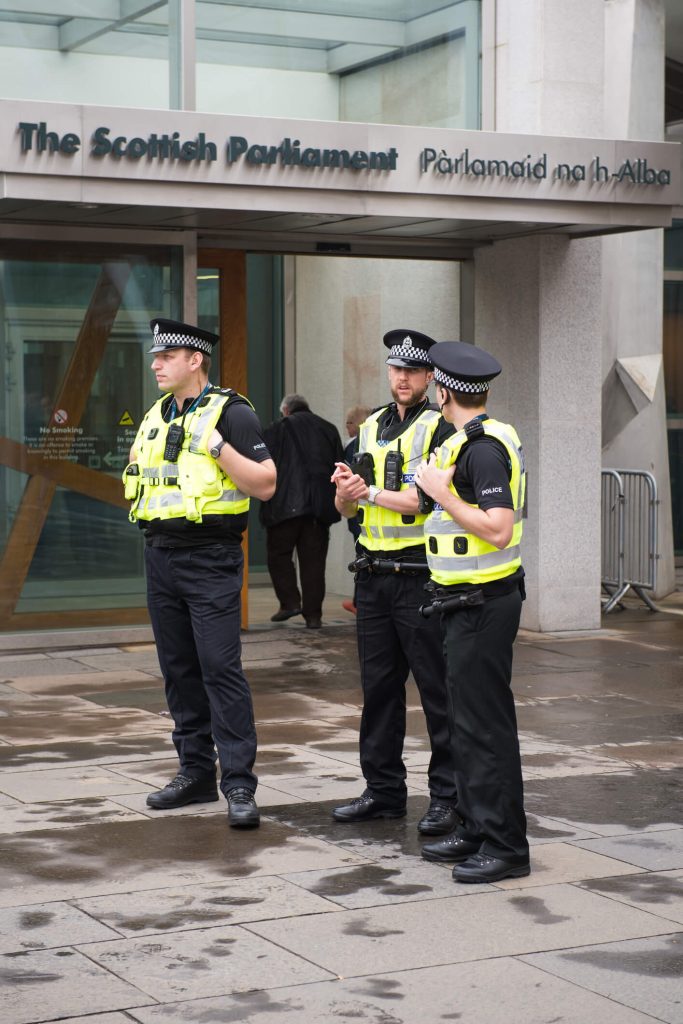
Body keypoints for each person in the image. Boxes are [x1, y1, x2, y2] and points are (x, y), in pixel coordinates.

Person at [123, 318, 276, 828]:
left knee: (219, 668)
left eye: (165, 357)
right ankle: (195, 773)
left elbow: (266, 484)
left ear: (195, 360)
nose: (155, 365)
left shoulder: (232, 413)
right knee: (179, 670)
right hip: (160, 553)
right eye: (155, 357)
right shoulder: (156, 415)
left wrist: (217, 448)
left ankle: (238, 784)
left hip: (210, 556)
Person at [331, 329, 458, 835]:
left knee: (436, 693)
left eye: (412, 371)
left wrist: (369, 494)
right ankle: (382, 791)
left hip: (421, 577)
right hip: (373, 576)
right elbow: (341, 506)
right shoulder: (366, 430)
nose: (401, 378)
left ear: (429, 377)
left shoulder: (441, 429)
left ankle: (447, 797)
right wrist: (347, 495)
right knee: (379, 692)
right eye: (395, 369)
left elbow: (423, 501)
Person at [414, 340, 529, 883]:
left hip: (484, 602)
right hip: (463, 601)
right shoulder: (463, 442)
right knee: (467, 724)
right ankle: (477, 826)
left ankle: (505, 846)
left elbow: (498, 526)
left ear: (443, 390)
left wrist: (445, 493)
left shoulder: (482, 449)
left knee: (486, 728)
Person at [260, 394, 344, 629]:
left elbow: (261, 463)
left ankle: (289, 602)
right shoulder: (329, 429)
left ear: (285, 410)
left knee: (278, 556)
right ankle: (313, 616)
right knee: (314, 563)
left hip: (283, 506)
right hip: (319, 509)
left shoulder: (277, 429)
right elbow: (340, 466)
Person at [341, 404, 372, 615]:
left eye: (349, 423)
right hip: (367, 512)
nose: (346, 428)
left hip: (360, 513)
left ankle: (360, 602)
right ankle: (359, 600)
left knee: (362, 555)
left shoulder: (354, 447)